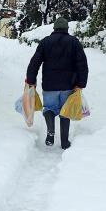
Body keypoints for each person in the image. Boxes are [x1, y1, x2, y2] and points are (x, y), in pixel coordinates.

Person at [26, 17, 88, 149]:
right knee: (65, 111)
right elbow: (82, 64)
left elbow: (34, 63)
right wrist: (81, 83)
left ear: (54, 29)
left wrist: (31, 80)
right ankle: (64, 142)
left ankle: (51, 132)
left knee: (49, 108)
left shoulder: (45, 42)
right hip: (68, 85)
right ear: (66, 29)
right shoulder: (74, 42)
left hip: (49, 85)